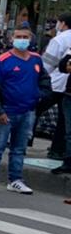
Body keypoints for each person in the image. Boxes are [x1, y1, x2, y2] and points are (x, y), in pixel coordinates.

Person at [0, 26, 52, 193]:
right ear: (12, 39)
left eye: (25, 37)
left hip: (27, 111)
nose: (22, 40)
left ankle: (15, 180)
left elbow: (45, 80)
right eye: (18, 36)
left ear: (30, 40)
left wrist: (39, 96)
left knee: (19, 148)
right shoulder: (2, 60)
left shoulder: (36, 59)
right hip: (6, 110)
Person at [41, 12, 71, 172]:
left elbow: (48, 64)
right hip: (65, 86)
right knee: (64, 122)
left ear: (63, 23)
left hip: (55, 83)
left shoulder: (60, 39)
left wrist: (39, 77)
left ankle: (22, 140)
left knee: (35, 108)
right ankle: (58, 150)